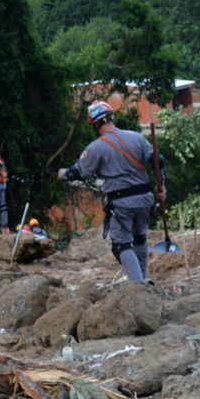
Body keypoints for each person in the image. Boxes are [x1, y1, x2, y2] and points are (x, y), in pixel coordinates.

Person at [57, 101, 165, 284]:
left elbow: (79, 172)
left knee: (121, 244)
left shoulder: (96, 148)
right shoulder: (136, 137)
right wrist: (162, 186)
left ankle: (138, 285)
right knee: (139, 238)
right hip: (145, 199)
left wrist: (63, 173)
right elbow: (158, 161)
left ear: (95, 124)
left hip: (121, 202)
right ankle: (143, 279)